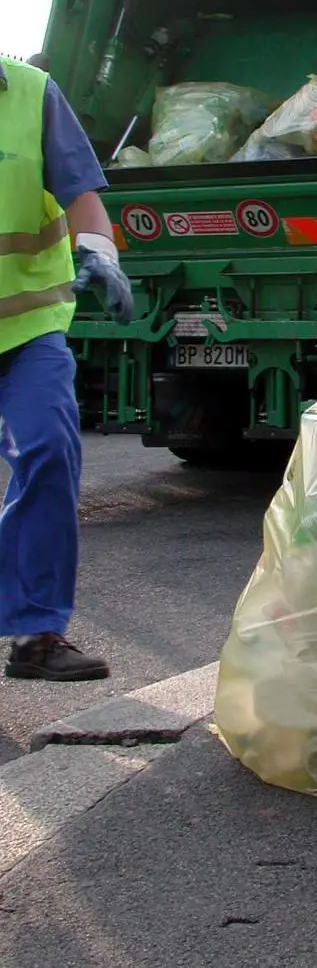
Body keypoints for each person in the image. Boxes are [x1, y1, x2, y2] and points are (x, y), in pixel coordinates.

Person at [0, 55, 133, 680]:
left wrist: (100, 248)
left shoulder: (31, 93)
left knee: (50, 450)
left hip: (28, 327)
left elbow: (81, 193)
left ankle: (37, 634)